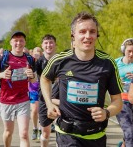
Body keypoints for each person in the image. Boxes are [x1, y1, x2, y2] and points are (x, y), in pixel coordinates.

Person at [40, 11, 123, 147]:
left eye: (92, 31)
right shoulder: (60, 60)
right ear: (73, 35)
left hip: (96, 135)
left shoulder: (108, 63)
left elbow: (118, 102)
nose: (87, 36)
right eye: (82, 31)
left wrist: (106, 112)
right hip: (67, 135)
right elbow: (44, 78)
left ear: (97, 35)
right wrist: (49, 104)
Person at [0, 31, 37, 147]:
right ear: (11, 42)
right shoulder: (2, 58)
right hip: (6, 100)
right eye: (16, 40)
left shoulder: (29, 59)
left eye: (21, 40)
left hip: (23, 100)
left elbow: (34, 80)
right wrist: (1, 75)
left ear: (25, 43)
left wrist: (32, 76)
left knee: (24, 134)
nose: (18, 43)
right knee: (8, 132)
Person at [36, 34, 57, 147]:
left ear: (55, 44)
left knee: (62, 130)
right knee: (46, 132)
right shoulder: (39, 62)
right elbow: (35, 79)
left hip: (60, 98)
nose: (49, 45)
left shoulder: (61, 60)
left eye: (51, 42)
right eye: (46, 43)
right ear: (42, 46)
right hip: (44, 99)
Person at [115, 38, 133, 147]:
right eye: (129, 51)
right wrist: (115, 80)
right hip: (121, 102)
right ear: (123, 50)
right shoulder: (115, 63)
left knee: (130, 132)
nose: (131, 54)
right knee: (129, 130)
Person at [29, 47, 42, 140]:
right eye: (35, 51)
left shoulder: (44, 63)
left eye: (39, 51)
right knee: (34, 111)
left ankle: (41, 128)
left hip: (43, 90)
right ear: (32, 53)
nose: (37, 53)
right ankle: (34, 128)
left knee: (42, 111)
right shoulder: (29, 63)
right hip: (33, 90)